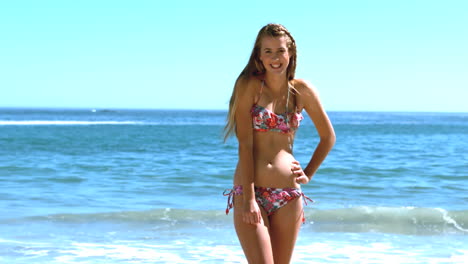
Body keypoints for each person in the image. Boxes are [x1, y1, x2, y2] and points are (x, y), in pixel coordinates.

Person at [223, 23, 335, 263]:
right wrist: (250, 200)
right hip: (250, 191)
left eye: (280, 51)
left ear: (291, 53)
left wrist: (307, 174)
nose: (275, 58)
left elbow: (328, 137)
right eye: (268, 51)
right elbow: (245, 145)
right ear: (259, 56)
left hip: (289, 194)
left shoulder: (302, 91)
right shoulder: (249, 86)